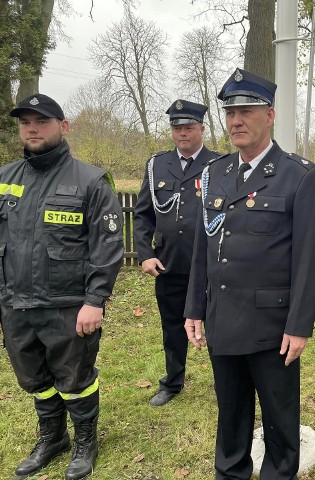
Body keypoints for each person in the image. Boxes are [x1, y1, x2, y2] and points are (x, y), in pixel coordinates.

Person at [184, 68, 315, 479]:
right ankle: (231, 472)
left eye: (246, 111)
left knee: (280, 421)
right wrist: (195, 309)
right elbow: (202, 250)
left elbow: (309, 260)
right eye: (230, 112)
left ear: (270, 115)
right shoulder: (216, 174)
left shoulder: (298, 175)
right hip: (223, 318)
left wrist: (299, 325)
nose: (236, 121)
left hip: (273, 325)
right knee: (231, 415)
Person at [0, 94, 124, 479]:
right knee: (34, 379)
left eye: (41, 121)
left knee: (75, 379)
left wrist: (95, 300)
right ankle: (52, 437)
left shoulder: (90, 181)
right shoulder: (5, 179)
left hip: (69, 306)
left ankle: (86, 439)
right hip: (16, 304)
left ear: (63, 126)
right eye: (25, 122)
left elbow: (107, 247)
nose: (32, 128)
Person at [134, 99, 219, 407]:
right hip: (168, 263)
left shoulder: (219, 164)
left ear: (201, 129)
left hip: (209, 267)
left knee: (217, 326)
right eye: (177, 128)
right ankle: (172, 381)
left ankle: (225, 382)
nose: (183, 133)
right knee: (172, 326)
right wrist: (145, 254)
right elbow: (143, 214)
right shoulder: (157, 165)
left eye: (189, 128)